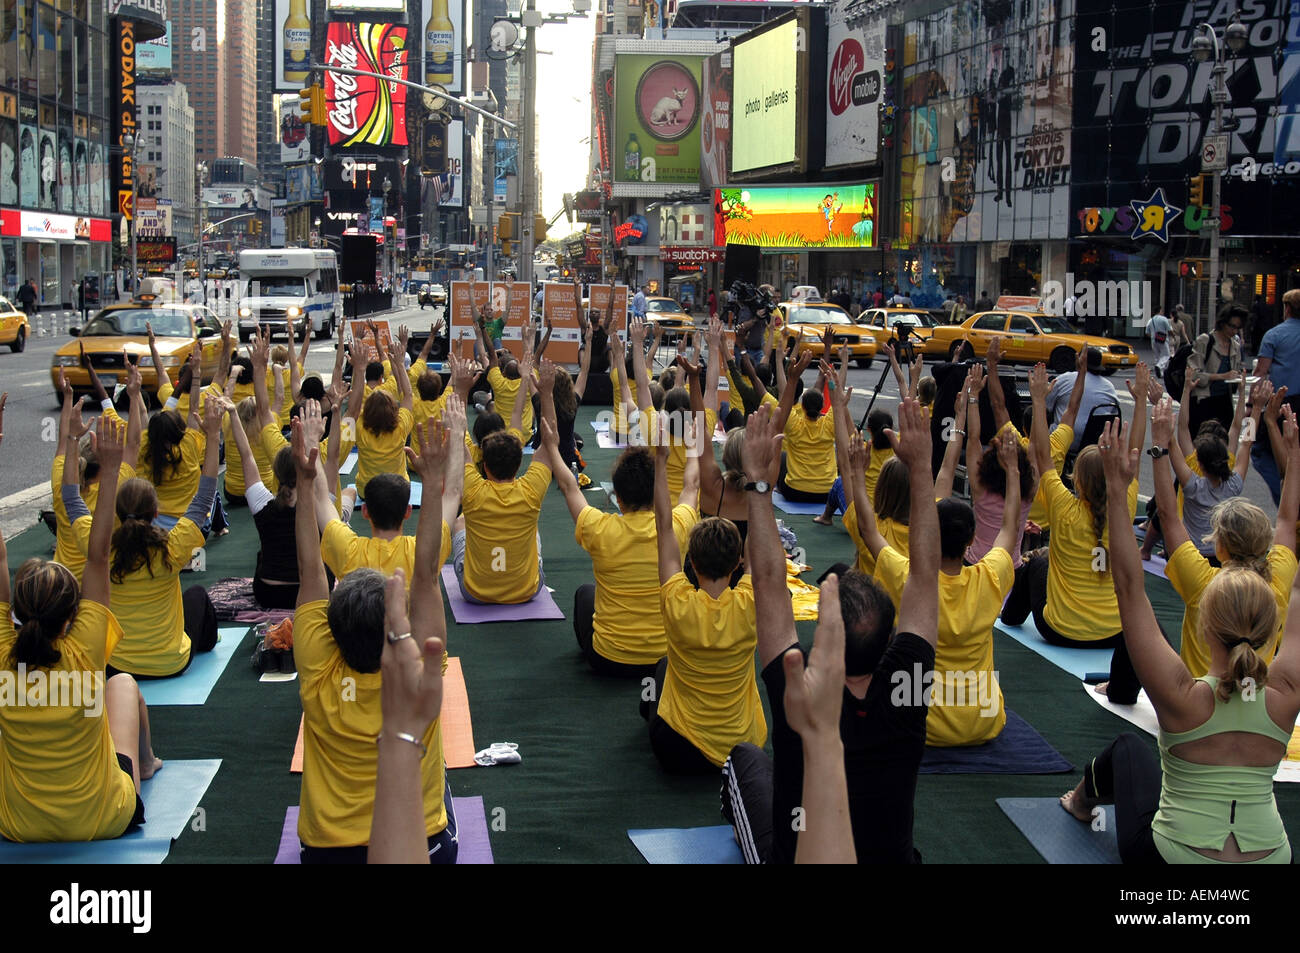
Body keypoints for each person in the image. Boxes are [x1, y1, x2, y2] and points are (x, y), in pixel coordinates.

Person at [1060, 423, 1300, 865]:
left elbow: (1129, 585)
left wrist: (1117, 489)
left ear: (1205, 620)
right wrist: (1293, 458)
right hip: (1272, 858)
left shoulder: (1180, 696)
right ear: (1270, 627)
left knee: (1129, 749)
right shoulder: (1286, 695)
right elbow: (1289, 531)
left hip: (1175, 858)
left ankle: (1078, 803)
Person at [721, 398, 939, 863]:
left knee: (744, 760)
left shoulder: (797, 685)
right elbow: (924, 575)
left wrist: (760, 485)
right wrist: (922, 472)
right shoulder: (910, 685)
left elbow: (766, 581)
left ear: (828, 637)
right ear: (890, 640)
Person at [293, 417, 457, 863]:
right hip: (421, 847)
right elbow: (424, 577)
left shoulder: (315, 670)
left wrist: (308, 481)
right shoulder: (421, 673)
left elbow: (310, 570)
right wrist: (434, 478)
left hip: (328, 854)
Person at [0, 414, 160, 843]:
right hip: (102, 818)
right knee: (123, 684)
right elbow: (97, 559)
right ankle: (146, 764)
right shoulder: (85, 649)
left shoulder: (3, 654)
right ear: (72, 619)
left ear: (16, 613)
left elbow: (0, 561)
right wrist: (110, 472)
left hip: (17, 826)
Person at [69, 397, 223, 678]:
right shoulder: (172, 549)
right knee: (198, 595)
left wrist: (70, 439)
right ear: (154, 513)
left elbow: (71, 499)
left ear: (118, 512)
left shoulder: (100, 552)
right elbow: (205, 495)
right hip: (170, 664)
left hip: (116, 667)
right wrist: (213, 436)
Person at [1149, 396, 1299, 680]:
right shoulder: (1277, 583)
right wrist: (1292, 454)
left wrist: (1161, 444)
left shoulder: (1202, 583)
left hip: (1198, 707)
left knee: (1145, 625)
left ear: (1220, 545)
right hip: (1253, 703)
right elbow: (1288, 519)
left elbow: (1167, 515)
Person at [643, 416, 761, 775]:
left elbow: (664, 526)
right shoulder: (752, 602)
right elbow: (758, 535)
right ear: (739, 561)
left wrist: (661, 462)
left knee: (661, 670)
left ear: (690, 561)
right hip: (742, 748)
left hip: (679, 750)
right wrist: (759, 479)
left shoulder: (677, 599)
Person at [1001, 362, 1147, 651]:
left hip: (1059, 631)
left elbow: (1041, 455)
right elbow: (1136, 451)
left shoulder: (1063, 506)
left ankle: (1009, 616)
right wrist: (1141, 401)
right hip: (1115, 633)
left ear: (1076, 479)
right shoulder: (1126, 503)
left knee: (1038, 562)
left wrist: (1039, 401)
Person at [554, 441, 698, 676]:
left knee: (585, 594)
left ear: (617, 497)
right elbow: (691, 485)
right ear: (657, 494)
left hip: (608, 659)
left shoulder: (599, 528)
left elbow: (570, 487)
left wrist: (551, 447)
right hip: (666, 657)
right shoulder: (678, 526)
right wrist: (692, 448)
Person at [453, 360, 557, 606]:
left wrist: (460, 390)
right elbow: (551, 440)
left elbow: (457, 437)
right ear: (519, 462)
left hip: (475, 593)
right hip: (526, 590)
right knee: (533, 529)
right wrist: (547, 394)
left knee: (459, 522)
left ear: (485, 466)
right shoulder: (531, 490)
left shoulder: (473, 489)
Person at [1252, 288, 1300, 503]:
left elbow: (1261, 373)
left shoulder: (1274, 335)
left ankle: (1285, 498)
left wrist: (1250, 406)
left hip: (1281, 404)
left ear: (1287, 308)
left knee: (1260, 451)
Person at [774, 349, 836, 503]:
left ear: (802, 407)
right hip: (826, 494)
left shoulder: (794, 423)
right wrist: (834, 379)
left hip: (795, 492)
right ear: (823, 407)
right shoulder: (830, 423)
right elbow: (838, 400)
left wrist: (793, 378)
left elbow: (783, 400)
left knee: (782, 457)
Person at [1046, 346, 1119, 454]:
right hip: (1095, 443)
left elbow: (1046, 406)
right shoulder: (1109, 387)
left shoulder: (1064, 379)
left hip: (1063, 442)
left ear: (1078, 360)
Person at [1187, 305, 1246, 436]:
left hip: (1224, 402)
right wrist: (1222, 376)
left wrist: (1238, 377)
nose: (1234, 331)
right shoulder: (1206, 340)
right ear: (1223, 323)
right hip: (1204, 401)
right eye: (1232, 326)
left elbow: (1234, 373)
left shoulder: (1235, 346)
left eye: (1238, 328)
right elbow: (1194, 375)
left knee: (1222, 446)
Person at [1147, 307, 1171, 376]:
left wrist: (1152, 337)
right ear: (1160, 311)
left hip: (1153, 340)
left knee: (1157, 356)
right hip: (1163, 340)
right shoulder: (1164, 319)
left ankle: (1160, 373)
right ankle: (1159, 366)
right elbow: (1169, 330)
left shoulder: (1150, 320)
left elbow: (1147, 332)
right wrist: (1173, 336)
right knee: (1166, 355)